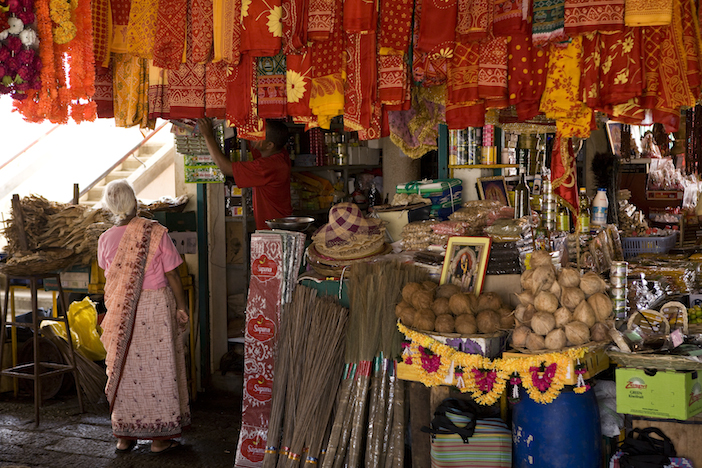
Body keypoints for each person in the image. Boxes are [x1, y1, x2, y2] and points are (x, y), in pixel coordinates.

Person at [97, 179, 190, 454]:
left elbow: (110, 276)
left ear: (109, 207)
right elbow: (172, 273)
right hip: (154, 308)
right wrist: (181, 305)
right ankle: (160, 439)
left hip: (120, 311)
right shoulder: (156, 232)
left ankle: (125, 436)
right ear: (135, 203)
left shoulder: (104, 239)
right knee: (158, 369)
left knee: (123, 369)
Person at [197, 118, 293, 230]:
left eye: (259, 134)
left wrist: (208, 135)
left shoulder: (268, 166)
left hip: (275, 229)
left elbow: (226, 168)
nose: (254, 134)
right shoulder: (277, 153)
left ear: (269, 145)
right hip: (275, 224)